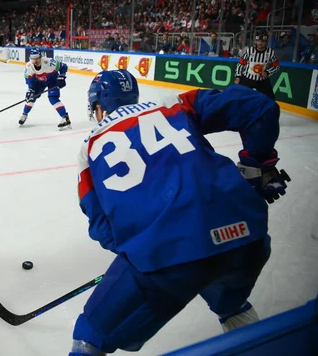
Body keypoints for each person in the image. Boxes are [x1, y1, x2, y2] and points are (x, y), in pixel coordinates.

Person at [70, 69, 290, 356]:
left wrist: (136, 251)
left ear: (99, 105)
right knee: (228, 300)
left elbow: (101, 227)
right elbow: (259, 106)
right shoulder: (174, 103)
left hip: (167, 257)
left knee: (90, 336)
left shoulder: (89, 147)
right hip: (247, 237)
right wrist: (255, 166)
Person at [19, 48, 71, 130]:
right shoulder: (29, 66)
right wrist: (31, 89)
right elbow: (29, 80)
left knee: (53, 98)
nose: (35, 60)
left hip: (52, 80)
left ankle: (65, 117)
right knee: (31, 98)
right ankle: (24, 114)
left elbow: (63, 67)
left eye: (37, 58)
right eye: (33, 58)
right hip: (39, 82)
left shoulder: (49, 62)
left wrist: (62, 76)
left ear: (40, 57)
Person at [235, 30, 280, 100]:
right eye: (258, 40)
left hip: (262, 80)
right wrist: (238, 76)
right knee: (239, 96)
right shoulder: (250, 51)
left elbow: (276, 66)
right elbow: (241, 63)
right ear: (255, 41)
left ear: (266, 41)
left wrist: (267, 72)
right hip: (247, 78)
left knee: (270, 99)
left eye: (262, 41)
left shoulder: (270, 52)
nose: (260, 43)